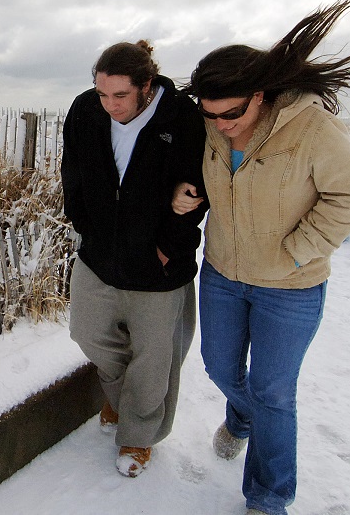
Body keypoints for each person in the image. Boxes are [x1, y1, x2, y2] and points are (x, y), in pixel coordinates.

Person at [173, 0, 350, 515]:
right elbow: (207, 176)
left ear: (259, 96)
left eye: (230, 113)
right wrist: (188, 191)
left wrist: (296, 253)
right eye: (209, 115)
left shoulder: (311, 130)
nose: (220, 124)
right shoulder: (214, 127)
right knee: (219, 368)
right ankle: (241, 419)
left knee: (273, 392)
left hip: (291, 286)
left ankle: (267, 496)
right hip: (222, 273)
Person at [61, 40, 208, 478]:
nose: (109, 105)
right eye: (102, 93)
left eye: (119, 95)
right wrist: (83, 220)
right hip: (98, 257)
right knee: (87, 333)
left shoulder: (181, 117)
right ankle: (121, 397)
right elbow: (72, 170)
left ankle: (138, 437)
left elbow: (201, 185)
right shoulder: (85, 111)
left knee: (154, 356)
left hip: (160, 267)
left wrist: (169, 246)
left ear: (146, 85)